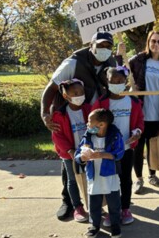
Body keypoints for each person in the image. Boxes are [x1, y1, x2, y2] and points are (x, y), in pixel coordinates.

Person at [41, 31, 120, 220]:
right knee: (69, 166)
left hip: (91, 117)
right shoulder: (74, 62)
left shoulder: (111, 63)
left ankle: (97, 204)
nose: (104, 50)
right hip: (68, 115)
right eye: (100, 46)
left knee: (89, 165)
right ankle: (70, 203)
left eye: (108, 46)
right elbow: (51, 88)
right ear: (91, 45)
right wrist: (45, 113)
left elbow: (117, 84)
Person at [92, 66, 144, 226]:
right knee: (109, 180)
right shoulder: (101, 102)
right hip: (107, 151)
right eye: (113, 81)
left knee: (126, 179)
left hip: (126, 149)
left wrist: (137, 131)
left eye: (121, 81)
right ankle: (112, 210)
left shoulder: (133, 101)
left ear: (126, 82)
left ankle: (125, 208)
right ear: (107, 82)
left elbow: (139, 121)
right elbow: (92, 124)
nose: (117, 83)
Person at [129, 31, 159, 193]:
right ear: (148, 42)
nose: (156, 44)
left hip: (158, 111)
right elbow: (123, 70)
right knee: (138, 146)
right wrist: (120, 55)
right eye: (153, 41)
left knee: (153, 145)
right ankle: (139, 179)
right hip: (140, 111)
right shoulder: (139, 60)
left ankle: (152, 175)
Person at [76, 108, 125, 238]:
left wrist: (102, 154)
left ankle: (115, 225)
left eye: (90, 122)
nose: (87, 124)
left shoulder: (114, 136)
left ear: (102, 124)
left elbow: (120, 153)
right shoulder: (87, 137)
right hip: (94, 176)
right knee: (94, 204)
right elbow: (77, 155)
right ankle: (94, 226)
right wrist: (82, 158)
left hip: (110, 176)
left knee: (114, 203)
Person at [51, 79, 91, 223]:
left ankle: (94, 205)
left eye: (81, 92)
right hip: (69, 155)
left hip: (88, 152)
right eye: (75, 93)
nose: (79, 95)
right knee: (72, 180)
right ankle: (77, 207)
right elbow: (57, 136)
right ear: (66, 96)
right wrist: (70, 150)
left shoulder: (89, 109)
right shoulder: (59, 115)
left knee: (91, 178)